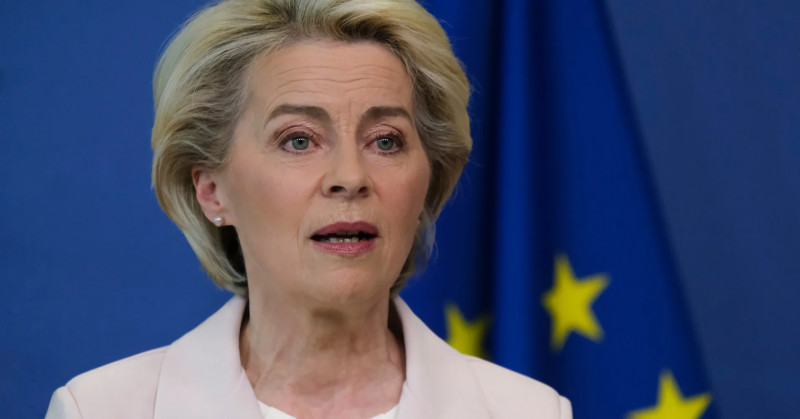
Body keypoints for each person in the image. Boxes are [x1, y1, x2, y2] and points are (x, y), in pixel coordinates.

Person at [45, 0, 572, 417]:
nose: (350, 178)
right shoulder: (102, 409)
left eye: (385, 141)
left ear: (428, 179)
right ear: (211, 191)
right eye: (298, 140)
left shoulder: (528, 412)